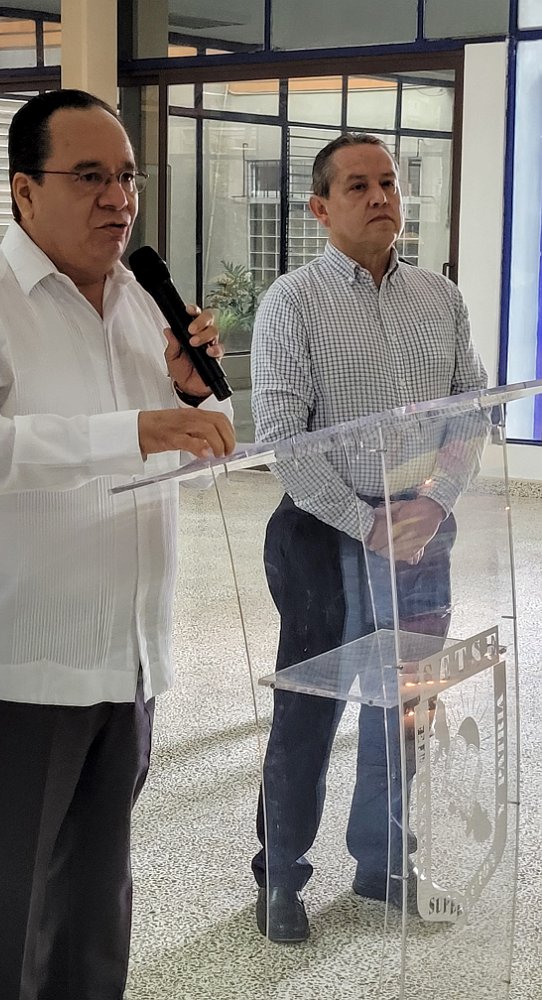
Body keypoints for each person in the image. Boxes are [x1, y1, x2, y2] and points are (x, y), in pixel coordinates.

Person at [0, 89, 234, 1000]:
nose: (118, 199)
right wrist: (136, 429)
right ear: (23, 189)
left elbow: (198, 457)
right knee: (0, 934)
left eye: (127, 176)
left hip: (124, 666)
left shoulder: (139, 303)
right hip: (10, 673)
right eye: (89, 176)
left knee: (92, 927)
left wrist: (192, 399)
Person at [250, 133, 487, 942]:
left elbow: (469, 408)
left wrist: (437, 500)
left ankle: (383, 861)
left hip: (422, 535)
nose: (381, 196)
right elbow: (284, 436)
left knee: (406, 707)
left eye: (388, 182)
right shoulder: (293, 302)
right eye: (358, 186)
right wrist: (366, 524)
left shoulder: (439, 298)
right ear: (320, 208)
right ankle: (281, 876)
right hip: (324, 533)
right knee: (309, 712)